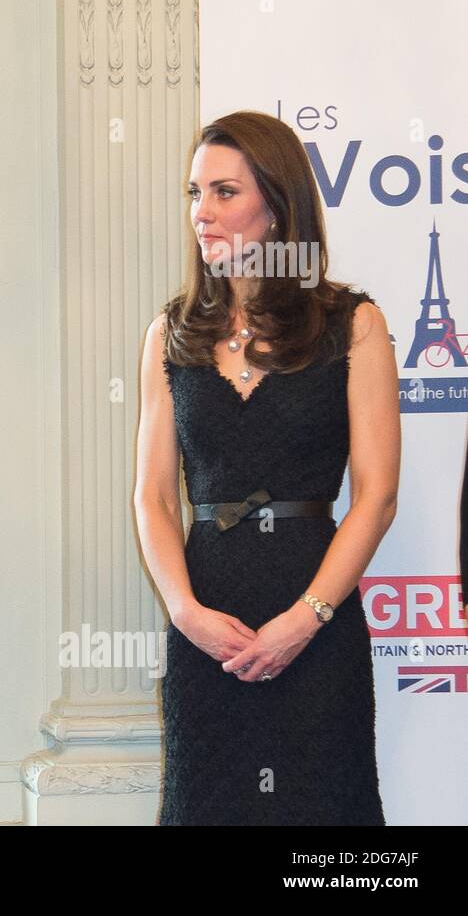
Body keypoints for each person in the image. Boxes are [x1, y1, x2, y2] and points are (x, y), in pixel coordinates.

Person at [133, 110, 399, 825]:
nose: (201, 213)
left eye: (224, 192)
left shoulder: (354, 324)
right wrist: (185, 612)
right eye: (194, 193)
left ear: (278, 208)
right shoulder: (171, 332)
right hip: (207, 634)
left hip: (317, 624)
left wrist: (306, 619)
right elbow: (154, 498)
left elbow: (375, 497)